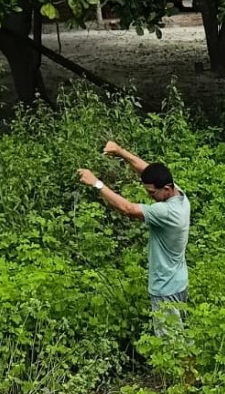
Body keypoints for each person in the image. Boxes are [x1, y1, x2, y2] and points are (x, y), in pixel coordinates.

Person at [77, 142, 191, 339]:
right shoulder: (178, 195)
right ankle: (188, 367)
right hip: (179, 282)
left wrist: (96, 183)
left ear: (165, 188)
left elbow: (128, 209)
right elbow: (147, 170)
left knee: (171, 345)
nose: (150, 196)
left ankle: (181, 370)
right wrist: (121, 152)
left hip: (165, 288)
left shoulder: (167, 212)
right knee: (180, 336)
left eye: (152, 193)